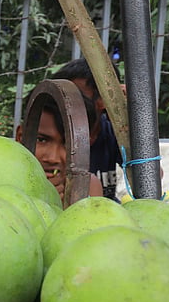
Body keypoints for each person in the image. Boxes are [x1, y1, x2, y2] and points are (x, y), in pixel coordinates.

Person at [50, 58, 123, 200]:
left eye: (76, 95)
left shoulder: (115, 132)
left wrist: (130, 120)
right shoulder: (51, 135)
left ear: (104, 99)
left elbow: (150, 176)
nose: (66, 102)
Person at [16, 95, 103, 206]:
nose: (53, 158)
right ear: (20, 137)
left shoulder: (89, 189)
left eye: (68, 144)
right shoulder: (5, 184)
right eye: (41, 140)